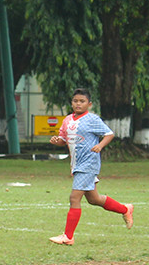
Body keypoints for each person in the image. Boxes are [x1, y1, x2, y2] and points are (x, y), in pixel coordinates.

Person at [49, 88, 133, 246]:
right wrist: (56, 141)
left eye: (82, 101)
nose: (78, 104)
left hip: (89, 162)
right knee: (94, 199)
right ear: (71, 103)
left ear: (89, 104)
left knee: (74, 198)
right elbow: (63, 139)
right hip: (76, 163)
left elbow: (109, 134)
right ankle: (125, 209)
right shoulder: (67, 120)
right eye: (75, 101)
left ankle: (68, 236)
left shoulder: (93, 119)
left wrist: (100, 146)